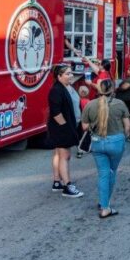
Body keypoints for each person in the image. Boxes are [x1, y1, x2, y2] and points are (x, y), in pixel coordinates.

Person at [81, 79, 130, 218]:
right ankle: (105, 204)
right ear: (113, 89)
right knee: (111, 172)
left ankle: (104, 206)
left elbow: (84, 127)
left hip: (97, 142)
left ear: (98, 89)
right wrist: (124, 137)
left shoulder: (90, 105)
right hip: (116, 142)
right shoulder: (120, 104)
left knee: (103, 174)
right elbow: (127, 126)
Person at [47, 64, 83, 198]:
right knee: (64, 156)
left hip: (63, 127)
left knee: (58, 154)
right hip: (61, 129)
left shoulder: (65, 87)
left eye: (71, 73)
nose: (71, 75)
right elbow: (56, 113)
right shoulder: (56, 90)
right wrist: (66, 127)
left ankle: (57, 182)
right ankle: (68, 186)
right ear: (59, 76)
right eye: (68, 74)